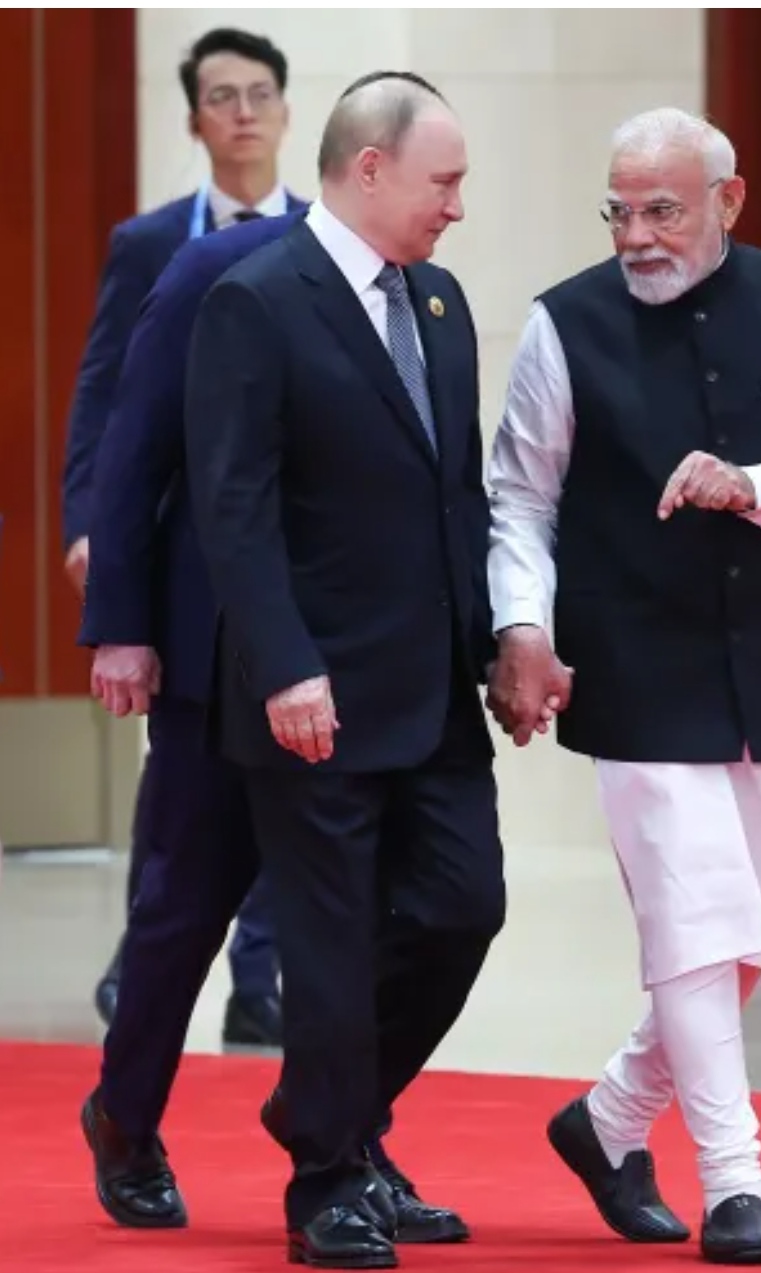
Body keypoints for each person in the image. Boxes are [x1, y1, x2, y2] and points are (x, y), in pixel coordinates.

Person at [485, 107, 761, 1265]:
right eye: (618, 212)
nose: (636, 235)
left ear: (728, 202)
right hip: (634, 667)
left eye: (662, 210)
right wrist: (521, 628)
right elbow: (518, 499)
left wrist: (756, 483)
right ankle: (734, 1181)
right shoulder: (564, 324)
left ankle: (609, 1117)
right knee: (693, 919)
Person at [79, 151, 469, 1245]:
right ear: (368, 169)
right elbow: (135, 442)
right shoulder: (221, 269)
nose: (454, 207)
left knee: (369, 913)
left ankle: (347, 1136)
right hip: (215, 658)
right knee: (187, 903)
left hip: (358, 670)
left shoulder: (420, 292)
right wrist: (122, 622)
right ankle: (125, 1117)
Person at [184, 74, 504, 1270]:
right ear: (370, 168)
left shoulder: (441, 302)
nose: (457, 207)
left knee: (464, 906)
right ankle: (328, 1180)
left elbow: (457, 494)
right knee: (327, 939)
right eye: (444, 182)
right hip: (310, 693)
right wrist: (283, 665)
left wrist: (498, 644)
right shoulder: (255, 299)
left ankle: (332, 1115)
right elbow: (233, 506)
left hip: (435, 687)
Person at [61, 25, 301, 1045]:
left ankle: (260, 976)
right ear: (195, 118)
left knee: (288, 762)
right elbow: (106, 399)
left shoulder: (316, 240)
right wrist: (90, 528)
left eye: (258, 94)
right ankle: (146, 961)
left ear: (285, 111)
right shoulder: (149, 243)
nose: (242, 113)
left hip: (291, 556)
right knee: (182, 771)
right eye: (220, 97)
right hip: (178, 552)